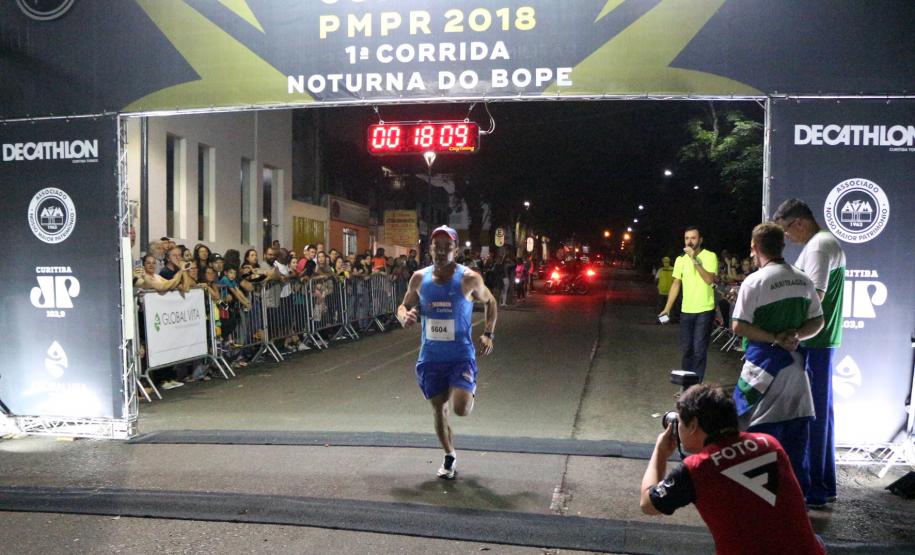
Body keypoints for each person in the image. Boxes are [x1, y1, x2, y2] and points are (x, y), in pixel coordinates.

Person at [640, 384, 825, 555]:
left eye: (679, 422)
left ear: (693, 425)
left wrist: (660, 452)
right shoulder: (769, 443)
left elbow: (648, 504)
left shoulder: (697, 468)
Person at [729, 222, 824, 498]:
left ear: (754, 247)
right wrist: (795, 335)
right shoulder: (803, 279)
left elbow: (738, 326)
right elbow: (818, 321)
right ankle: (797, 505)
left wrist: (774, 338)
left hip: (763, 374)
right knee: (795, 449)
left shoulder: (754, 281)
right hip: (797, 372)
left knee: (758, 444)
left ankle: (760, 506)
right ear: (782, 247)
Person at [396, 225, 498, 480]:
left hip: (460, 356)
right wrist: (403, 316)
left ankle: (467, 389)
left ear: (456, 250)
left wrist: (488, 332)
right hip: (431, 358)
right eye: (437, 247)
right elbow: (403, 305)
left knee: (461, 409)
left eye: (447, 247)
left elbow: (490, 301)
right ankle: (449, 455)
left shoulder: (469, 279)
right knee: (439, 409)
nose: (441, 251)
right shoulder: (419, 278)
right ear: (429, 249)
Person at [774, 198, 846, 508]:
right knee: (820, 414)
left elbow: (814, 298)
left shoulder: (818, 247)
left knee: (811, 416)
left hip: (815, 342)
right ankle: (822, 484)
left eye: (787, 231)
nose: (787, 238)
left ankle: (815, 487)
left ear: (799, 222)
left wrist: (791, 329)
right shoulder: (824, 243)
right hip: (822, 341)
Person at [659, 227, 718, 381]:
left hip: (705, 310)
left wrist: (694, 260)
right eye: (686, 238)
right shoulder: (680, 259)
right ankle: (686, 385)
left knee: (699, 350)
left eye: (693, 238)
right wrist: (667, 308)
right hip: (686, 310)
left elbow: (709, 280)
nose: (689, 241)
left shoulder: (710, 256)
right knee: (687, 350)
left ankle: (696, 386)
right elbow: (676, 284)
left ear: (700, 240)